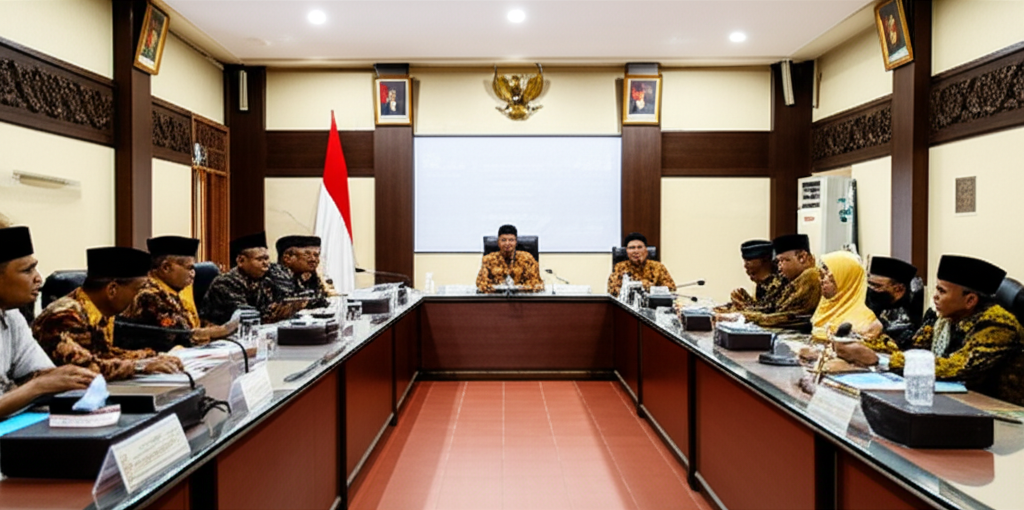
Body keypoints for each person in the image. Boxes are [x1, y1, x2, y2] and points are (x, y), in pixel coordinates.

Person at [837, 255, 1024, 405]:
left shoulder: (997, 325)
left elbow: (959, 368)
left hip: (1000, 413)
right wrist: (863, 345)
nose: (934, 297)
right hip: (958, 402)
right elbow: (912, 350)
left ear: (970, 300)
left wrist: (880, 361)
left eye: (942, 291)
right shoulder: (945, 320)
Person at [33, 247, 183, 381]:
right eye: (138, 290)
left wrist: (153, 357)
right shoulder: (65, 316)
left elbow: (104, 354)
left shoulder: (96, 312)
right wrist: (140, 366)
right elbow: (84, 368)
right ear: (112, 289)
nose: (138, 298)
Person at [0, 226, 97, 418]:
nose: (39, 278)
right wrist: (37, 387)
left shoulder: (12, 316)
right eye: (27, 270)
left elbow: (39, 372)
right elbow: (39, 383)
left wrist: (67, 376)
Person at [120, 236, 238, 346]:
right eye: (189, 268)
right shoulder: (149, 295)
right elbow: (183, 336)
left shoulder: (172, 291)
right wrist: (225, 329)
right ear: (166, 268)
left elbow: (191, 324)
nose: (193, 274)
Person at [201, 232, 305, 324]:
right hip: (224, 334)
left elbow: (295, 295)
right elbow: (245, 316)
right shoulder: (225, 283)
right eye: (260, 259)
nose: (266, 264)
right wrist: (277, 312)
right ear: (241, 261)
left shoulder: (270, 275)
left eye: (266, 258)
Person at [723, 234, 821, 329]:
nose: (779, 266)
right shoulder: (795, 280)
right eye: (778, 261)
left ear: (802, 257)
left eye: (783, 260)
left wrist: (742, 315)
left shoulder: (811, 276)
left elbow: (784, 316)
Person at [811, 251, 882, 340]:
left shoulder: (864, 322)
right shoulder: (826, 307)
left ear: (846, 281)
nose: (822, 281)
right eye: (822, 275)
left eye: (831, 278)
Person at [866, 255, 923, 349]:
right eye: (870, 284)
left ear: (898, 290)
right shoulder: (868, 304)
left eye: (877, 286)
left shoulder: (909, 317)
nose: (871, 290)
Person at [716, 240, 785, 313]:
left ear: (764, 259)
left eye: (748, 261)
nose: (745, 266)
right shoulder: (761, 285)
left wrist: (742, 305)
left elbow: (767, 312)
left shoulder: (780, 284)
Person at [476, 224, 543, 293]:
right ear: (498, 242)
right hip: (496, 297)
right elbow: (481, 284)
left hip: (522, 297)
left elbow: (536, 284)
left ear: (516, 242)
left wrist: (518, 289)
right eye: (503, 240)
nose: (507, 243)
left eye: (511, 240)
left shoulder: (527, 259)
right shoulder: (488, 259)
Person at [267, 235, 330, 308]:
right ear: (287, 258)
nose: (314, 259)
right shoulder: (276, 272)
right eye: (307, 254)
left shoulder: (307, 276)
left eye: (316, 255)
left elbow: (320, 298)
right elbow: (292, 300)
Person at [607, 232, 675, 296]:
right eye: (632, 248)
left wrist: (646, 285)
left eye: (639, 247)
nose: (636, 251)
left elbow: (671, 289)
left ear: (646, 250)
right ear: (626, 251)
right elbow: (612, 291)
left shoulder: (658, 267)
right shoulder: (620, 267)